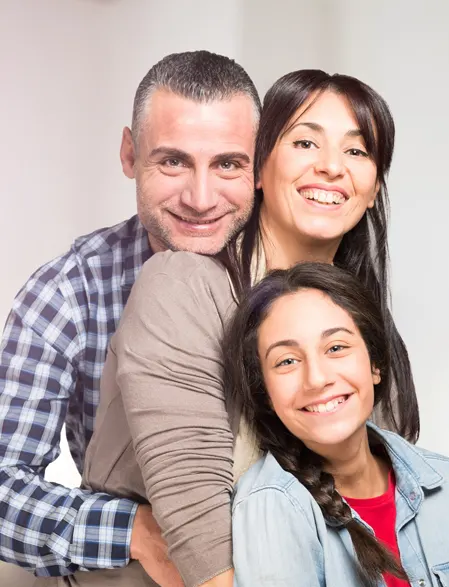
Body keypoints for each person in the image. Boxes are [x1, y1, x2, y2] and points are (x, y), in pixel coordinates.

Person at [64, 69, 419, 586]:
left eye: (357, 152)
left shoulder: (364, 324)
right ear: (258, 167)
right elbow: (197, 528)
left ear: (373, 188)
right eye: (304, 142)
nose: (330, 167)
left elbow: (387, 504)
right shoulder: (182, 285)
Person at [0, 50, 260, 587]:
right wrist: (136, 531)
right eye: (173, 161)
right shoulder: (67, 293)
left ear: (260, 167)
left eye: (228, 164)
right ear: (128, 153)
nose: (201, 198)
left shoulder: (295, 273)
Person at [225, 262, 449, 587]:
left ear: (375, 364)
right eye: (286, 361)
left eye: (336, 348)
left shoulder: (442, 480)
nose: (316, 378)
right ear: (267, 395)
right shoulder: (271, 507)